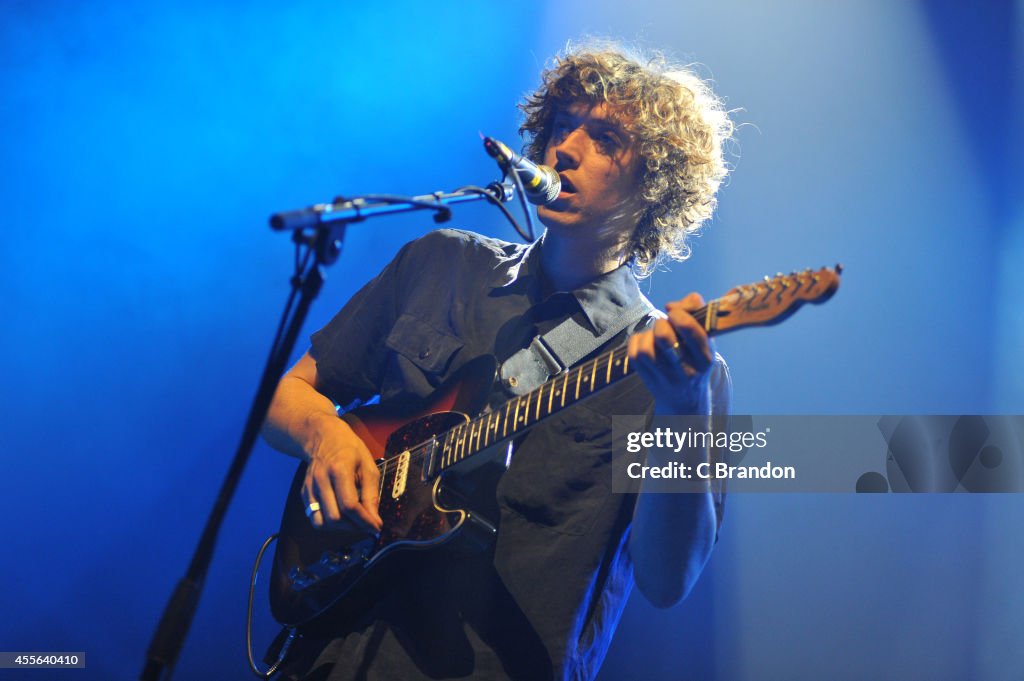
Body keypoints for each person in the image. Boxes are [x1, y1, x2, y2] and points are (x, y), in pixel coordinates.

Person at [262, 40, 735, 681]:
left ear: (653, 184)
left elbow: (667, 578)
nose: (563, 149)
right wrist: (327, 438)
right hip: (332, 649)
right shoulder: (441, 263)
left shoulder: (672, 371)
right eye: (561, 127)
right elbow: (287, 397)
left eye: (602, 138)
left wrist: (682, 407)